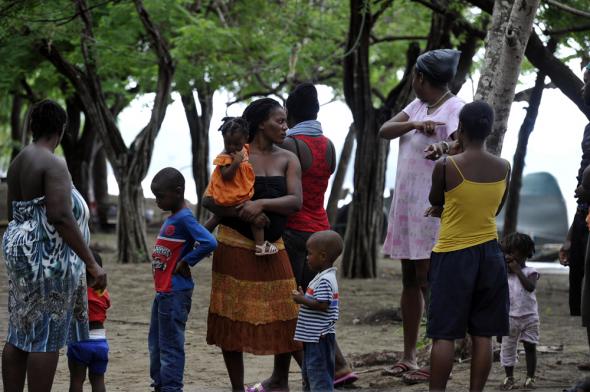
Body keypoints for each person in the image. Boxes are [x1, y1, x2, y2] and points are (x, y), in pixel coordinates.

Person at [2, 99, 107, 392]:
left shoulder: (18, 161)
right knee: (44, 336)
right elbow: (60, 215)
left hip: (20, 255)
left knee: (19, 332)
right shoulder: (53, 162)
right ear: (61, 130)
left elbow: (16, 214)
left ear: (33, 126)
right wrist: (91, 262)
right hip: (48, 261)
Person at [203, 98, 303, 392]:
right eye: (279, 121)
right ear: (261, 123)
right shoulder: (235, 153)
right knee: (231, 317)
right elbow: (211, 199)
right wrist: (238, 212)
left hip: (273, 247)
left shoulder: (288, 158)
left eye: (286, 121)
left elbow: (295, 202)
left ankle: (309, 381)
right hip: (234, 245)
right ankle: (237, 388)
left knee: (286, 315)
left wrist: (259, 203)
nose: (285, 127)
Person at [378, 49, 465, 383]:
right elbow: (385, 129)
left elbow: (460, 145)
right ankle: (408, 355)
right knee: (409, 279)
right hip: (405, 208)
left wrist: (442, 147)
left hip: (431, 209)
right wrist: (413, 124)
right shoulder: (415, 108)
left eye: (414, 75)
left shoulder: (455, 108)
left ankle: (436, 357)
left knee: (431, 282)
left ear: (421, 77)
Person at [426, 101, 510, 392]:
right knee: (483, 334)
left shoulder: (446, 165)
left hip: (452, 255)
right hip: (490, 254)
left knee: (444, 335)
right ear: (489, 131)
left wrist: (442, 208)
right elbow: (495, 209)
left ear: (459, 130)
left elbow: (436, 200)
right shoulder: (503, 167)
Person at [280, 82, 358, 387]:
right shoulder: (328, 146)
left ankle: (337, 367)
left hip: (295, 232)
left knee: (298, 303)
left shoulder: (289, 145)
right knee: (308, 300)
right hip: (321, 228)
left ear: (289, 112)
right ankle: (285, 375)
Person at [149, 167, 217, 392]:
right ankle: (160, 384)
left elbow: (209, 242)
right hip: (163, 292)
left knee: (170, 347)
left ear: (178, 192)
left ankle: (171, 388)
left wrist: (187, 261)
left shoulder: (185, 218)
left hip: (174, 292)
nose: (157, 201)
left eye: (161, 196)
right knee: (156, 344)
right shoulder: (174, 218)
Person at [205, 117, 277, 256]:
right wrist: (236, 163)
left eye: (236, 143)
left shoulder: (245, 149)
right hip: (230, 194)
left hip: (237, 191)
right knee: (256, 216)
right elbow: (226, 175)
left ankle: (200, 239)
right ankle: (260, 246)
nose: (231, 147)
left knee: (216, 217)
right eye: (228, 143)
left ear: (246, 139)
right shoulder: (225, 156)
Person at [560, 62, 590, 370]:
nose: (582, 89)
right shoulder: (588, 129)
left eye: (587, 82)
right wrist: (571, 235)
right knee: (584, 293)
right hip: (585, 219)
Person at [292, 230, 343, 392]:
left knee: (318, 375)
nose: (307, 257)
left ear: (322, 256)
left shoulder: (325, 280)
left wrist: (301, 300)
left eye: (310, 254)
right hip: (314, 337)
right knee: (309, 373)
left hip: (319, 338)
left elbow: (323, 305)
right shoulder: (323, 276)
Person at [499, 233, 539, 390]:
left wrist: (517, 271)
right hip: (509, 318)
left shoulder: (531, 272)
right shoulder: (503, 274)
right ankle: (509, 377)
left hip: (529, 317)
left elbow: (530, 287)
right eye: (506, 253)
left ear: (525, 253)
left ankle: (530, 378)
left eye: (512, 253)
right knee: (507, 348)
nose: (508, 257)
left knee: (530, 346)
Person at [68, 251, 111, 392]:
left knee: (76, 380)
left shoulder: (74, 292)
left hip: (80, 341)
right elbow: (106, 305)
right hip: (100, 343)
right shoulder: (103, 293)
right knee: (98, 380)